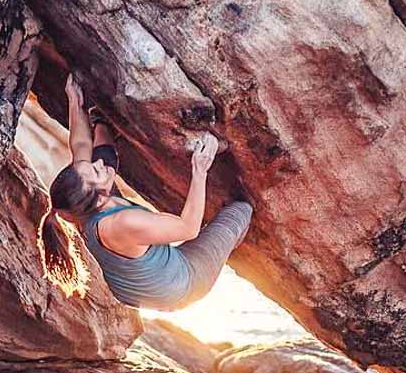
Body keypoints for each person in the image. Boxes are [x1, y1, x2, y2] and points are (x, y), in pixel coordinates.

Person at [38, 74, 252, 311]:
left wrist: (74, 102)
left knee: (103, 157)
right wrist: (199, 169)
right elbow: (188, 229)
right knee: (240, 211)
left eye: (89, 167)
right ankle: (221, 251)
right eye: (96, 173)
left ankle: (100, 121)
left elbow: (80, 146)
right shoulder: (123, 222)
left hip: (134, 281)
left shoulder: (78, 203)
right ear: (99, 199)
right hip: (179, 287)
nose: (97, 166)